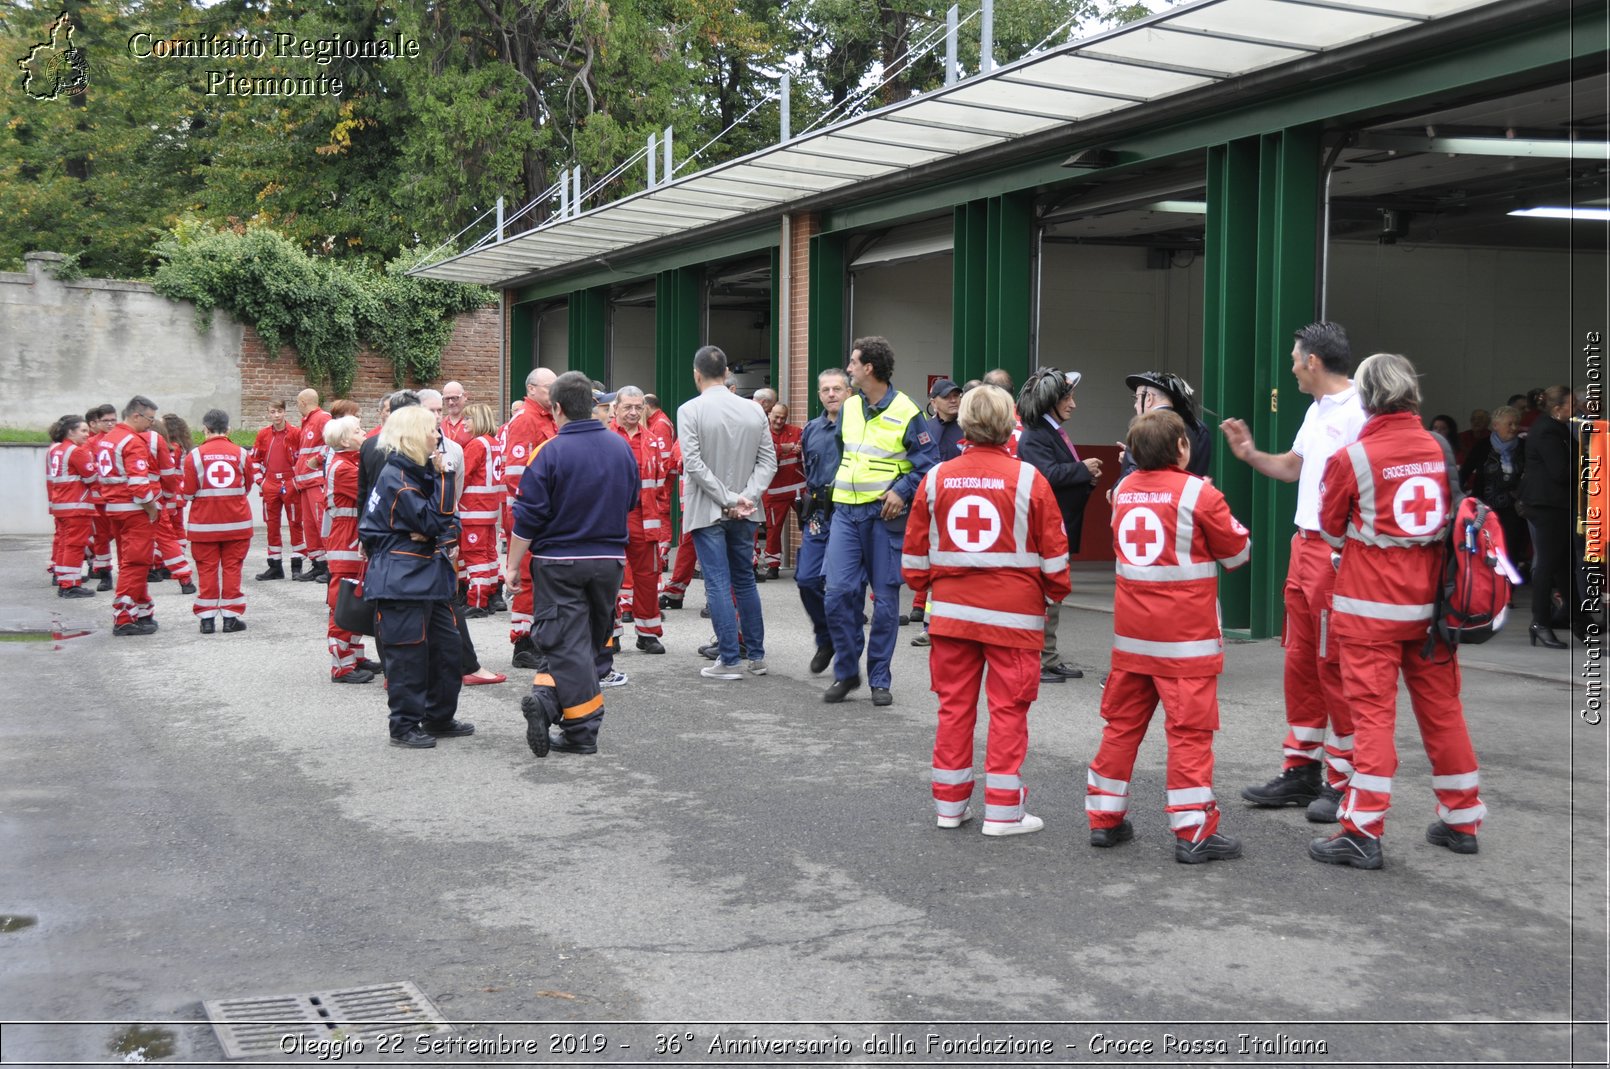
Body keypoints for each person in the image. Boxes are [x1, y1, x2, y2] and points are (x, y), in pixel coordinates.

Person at [1309, 353, 1486, 869]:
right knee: (1443, 712)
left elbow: (1330, 528)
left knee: (1372, 720)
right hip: (1433, 611)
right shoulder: (1439, 446)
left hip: (1369, 612)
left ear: (1366, 398)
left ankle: (1362, 830)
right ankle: (1462, 818)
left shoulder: (1353, 457)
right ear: (1412, 393)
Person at [904, 384, 1070, 837]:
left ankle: (950, 807)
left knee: (954, 710)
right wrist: (1054, 592)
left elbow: (915, 557)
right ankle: (1003, 813)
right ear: (1008, 423)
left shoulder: (936, 478)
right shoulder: (1029, 479)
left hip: (952, 615)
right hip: (1014, 619)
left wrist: (928, 587)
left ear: (964, 424)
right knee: (1008, 711)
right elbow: (1054, 553)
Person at [1086, 410, 1251, 863]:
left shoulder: (1120, 493)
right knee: (1189, 736)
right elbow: (1238, 554)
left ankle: (1105, 820)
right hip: (1186, 643)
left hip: (1133, 640)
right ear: (1183, 447)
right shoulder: (1199, 492)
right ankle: (1193, 831)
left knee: (1120, 728)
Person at [1220, 321, 1366, 821]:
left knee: (1333, 666)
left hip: (1333, 553)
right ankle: (1303, 769)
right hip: (1303, 547)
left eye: (1294, 357)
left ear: (1313, 362)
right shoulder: (1316, 408)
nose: (1290, 365)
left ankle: (1343, 779)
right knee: (1301, 664)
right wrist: (1250, 454)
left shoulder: (1359, 412)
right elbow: (1292, 467)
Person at [506, 371, 640, 755]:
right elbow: (630, 501)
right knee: (585, 644)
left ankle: (577, 727)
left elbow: (527, 517)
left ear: (557, 408)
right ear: (596, 405)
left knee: (566, 643)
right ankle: (553, 707)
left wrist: (512, 565)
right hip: (610, 561)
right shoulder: (621, 448)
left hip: (558, 561)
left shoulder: (547, 452)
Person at [823, 337, 936, 705]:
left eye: (853, 363)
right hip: (846, 513)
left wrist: (901, 491)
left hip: (883, 517)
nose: (849, 368)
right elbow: (845, 454)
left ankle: (879, 679)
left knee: (885, 603)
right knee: (838, 594)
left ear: (869, 368)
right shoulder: (851, 407)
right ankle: (846, 671)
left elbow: (928, 463)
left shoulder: (907, 410)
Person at [359, 405, 471, 749]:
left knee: (448, 650)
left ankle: (437, 716)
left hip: (428, 576)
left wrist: (436, 530)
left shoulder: (415, 473)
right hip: (402, 579)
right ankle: (404, 725)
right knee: (407, 655)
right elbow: (435, 522)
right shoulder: (399, 477)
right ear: (411, 436)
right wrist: (444, 480)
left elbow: (448, 525)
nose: (438, 437)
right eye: (431, 430)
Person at [677, 346, 776, 680]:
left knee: (718, 582)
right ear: (727, 372)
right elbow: (768, 461)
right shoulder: (754, 411)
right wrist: (745, 497)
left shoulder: (690, 410)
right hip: (746, 510)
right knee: (745, 580)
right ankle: (757, 656)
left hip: (708, 508)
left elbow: (693, 463)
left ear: (697, 373)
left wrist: (727, 498)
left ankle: (730, 660)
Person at [1016, 367, 1103, 684]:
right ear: (1050, 401)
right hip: (1045, 531)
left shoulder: (1046, 432)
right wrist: (1081, 470)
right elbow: (1046, 477)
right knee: (1042, 598)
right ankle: (1038, 660)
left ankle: (1048, 657)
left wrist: (1085, 478)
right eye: (1068, 397)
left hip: (1055, 530)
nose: (1073, 404)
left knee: (1051, 598)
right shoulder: (1036, 436)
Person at [502, 368, 559, 668]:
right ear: (532, 389)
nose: (555, 391)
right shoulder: (526, 419)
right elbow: (515, 473)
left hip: (540, 511)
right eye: (550, 387)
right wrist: (539, 505)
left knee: (537, 577)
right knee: (525, 577)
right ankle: (523, 643)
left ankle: (535, 636)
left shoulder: (546, 418)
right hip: (529, 512)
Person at [181, 409, 256, 634]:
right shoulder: (241, 454)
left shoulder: (193, 456)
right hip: (237, 524)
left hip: (204, 526)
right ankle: (231, 618)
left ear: (205, 429)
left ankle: (206, 620)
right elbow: (248, 485)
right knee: (233, 569)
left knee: (206, 570)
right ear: (229, 429)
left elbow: (188, 492)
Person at [797, 368, 850, 674]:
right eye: (826, 390)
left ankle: (845, 651)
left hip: (848, 512)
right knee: (806, 579)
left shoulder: (859, 427)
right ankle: (826, 638)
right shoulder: (811, 430)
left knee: (840, 587)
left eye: (837, 389)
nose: (831, 394)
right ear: (819, 395)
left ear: (849, 393)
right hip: (818, 514)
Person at [612, 386, 672, 654]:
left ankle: (648, 633)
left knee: (648, 577)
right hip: (612, 519)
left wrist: (658, 514)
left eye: (638, 407)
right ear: (616, 408)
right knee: (609, 579)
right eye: (628, 407)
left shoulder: (653, 440)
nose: (634, 412)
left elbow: (661, 484)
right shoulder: (605, 437)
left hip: (645, 519)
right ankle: (609, 634)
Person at [97, 396, 164, 636]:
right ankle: (124, 617)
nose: (151, 424)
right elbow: (138, 485)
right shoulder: (133, 442)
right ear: (136, 415)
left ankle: (143, 610)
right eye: (150, 419)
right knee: (137, 563)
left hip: (114, 509)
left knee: (130, 563)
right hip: (133, 512)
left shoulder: (108, 439)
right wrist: (152, 508)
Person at [319, 415, 378, 682]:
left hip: (353, 537)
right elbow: (373, 488)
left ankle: (355, 655)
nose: (363, 432)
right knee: (342, 601)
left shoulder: (350, 461)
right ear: (344, 440)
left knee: (357, 596)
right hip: (346, 539)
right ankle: (341, 665)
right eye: (357, 430)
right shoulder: (343, 468)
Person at [1521, 385, 1579, 648]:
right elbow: (1560, 472)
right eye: (1571, 404)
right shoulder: (1547, 431)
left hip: (1556, 505)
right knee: (1547, 565)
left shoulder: (1556, 428)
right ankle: (1540, 622)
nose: (1575, 407)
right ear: (1558, 409)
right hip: (1547, 505)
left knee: (1564, 566)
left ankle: (1576, 620)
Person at [1460, 405, 1528, 574]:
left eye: (1516, 424)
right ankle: (1485, 590)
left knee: (1510, 550)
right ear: (1496, 426)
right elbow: (1464, 472)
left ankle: (1506, 593)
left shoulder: (1524, 447)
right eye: (1509, 424)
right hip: (1484, 507)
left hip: (1513, 509)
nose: (1514, 428)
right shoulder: (1482, 446)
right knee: (1484, 548)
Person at [139, 410, 195, 594]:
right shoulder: (174, 446)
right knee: (171, 533)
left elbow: (168, 474)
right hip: (166, 493)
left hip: (161, 495)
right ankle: (178, 572)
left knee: (167, 533)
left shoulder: (170, 447)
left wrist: (170, 495)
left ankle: (158, 566)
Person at [458, 403, 506, 618]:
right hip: (489, 509)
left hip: (473, 509)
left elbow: (463, 475)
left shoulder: (476, 444)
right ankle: (490, 595)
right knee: (489, 554)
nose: (465, 422)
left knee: (474, 555)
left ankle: (477, 600)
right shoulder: (493, 443)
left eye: (468, 419)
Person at [1118, 371, 1212, 480]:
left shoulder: (1144, 429)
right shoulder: (1198, 429)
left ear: (1149, 398)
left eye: (1137, 398)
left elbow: (1132, 479)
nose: (1135, 405)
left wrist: (1135, 456)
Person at [250, 399, 304, 580]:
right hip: (270, 484)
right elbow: (254, 460)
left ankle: (297, 566)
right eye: (272, 412)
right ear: (268, 413)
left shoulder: (296, 433)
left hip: (290, 483)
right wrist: (261, 481)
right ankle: (275, 566)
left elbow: (303, 459)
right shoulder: (263, 434)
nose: (276, 415)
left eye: (279, 411)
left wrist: (296, 482)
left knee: (296, 523)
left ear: (284, 412)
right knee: (271, 526)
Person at [46, 414, 97, 598]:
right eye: (83, 431)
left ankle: (63, 579)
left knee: (65, 543)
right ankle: (69, 585)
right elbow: (92, 477)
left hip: (61, 503)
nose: (87, 434)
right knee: (75, 545)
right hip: (76, 505)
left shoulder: (56, 450)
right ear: (71, 432)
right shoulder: (77, 451)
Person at [756, 401, 804, 580]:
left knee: (808, 526)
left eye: (783, 418)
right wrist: (782, 449)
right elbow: (761, 455)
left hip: (799, 490)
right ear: (769, 415)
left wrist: (799, 451)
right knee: (773, 529)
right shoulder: (763, 434)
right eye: (776, 417)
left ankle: (808, 565)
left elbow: (806, 454)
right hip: (774, 492)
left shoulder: (797, 432)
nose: (779, 421)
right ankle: (773, 565)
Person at [293, 388, 332, 583]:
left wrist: (317, 459)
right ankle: (318, 564)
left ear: (302, 402)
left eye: (297, 403)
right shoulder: (308, 421)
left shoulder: (322, 418)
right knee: (309, 526)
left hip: (316, 481)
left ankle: (331, 566)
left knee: (320, 523)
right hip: (306, 483)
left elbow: (332, 443)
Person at [83, 404, 118, 590]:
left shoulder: (122, 439)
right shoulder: (91, 442)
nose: (111, 424)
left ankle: (87, 552)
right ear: (97, 422)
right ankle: (105, 574)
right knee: (101, 537)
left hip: (120, 498)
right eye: (106, 421)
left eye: (113, 420)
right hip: (99, 500)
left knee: (121, 535)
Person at [161, 413, 193, 558]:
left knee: (171, 526)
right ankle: (179, 553)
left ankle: (173, 555)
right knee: (177, 525)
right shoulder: (182, 445)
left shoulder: (173, 447)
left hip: (173, 491)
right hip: (180, 489)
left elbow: (170, 471)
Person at [439, 381, 472, 446]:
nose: (450, 402)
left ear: (465, 396)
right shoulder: (439, 425)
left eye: (454, 398)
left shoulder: (474, 425)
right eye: (447, 399)